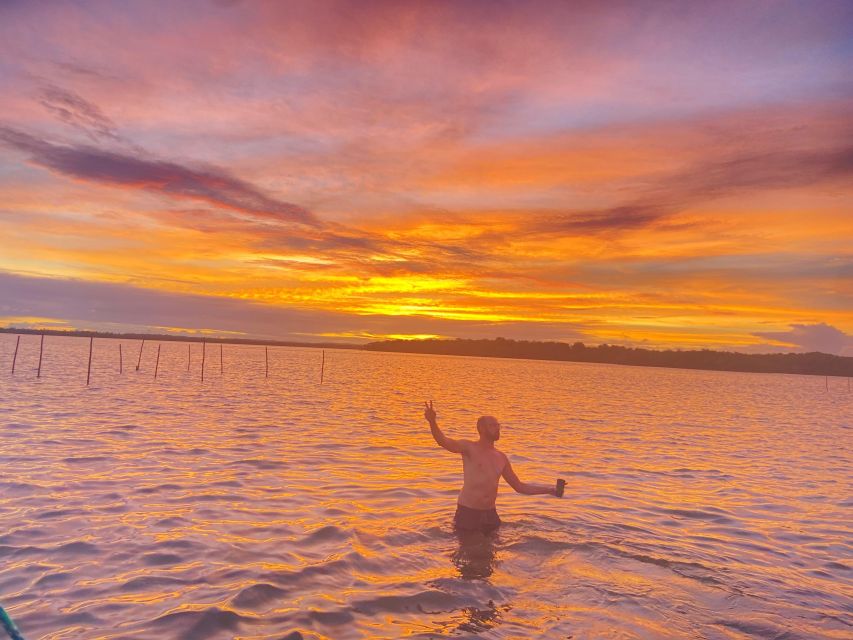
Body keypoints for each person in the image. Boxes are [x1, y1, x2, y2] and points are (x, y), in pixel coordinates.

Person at [424, 400, 562, 533]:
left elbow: (519, 486)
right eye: (493, 425)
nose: (497, 428)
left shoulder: (501, 457)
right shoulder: (469, 448)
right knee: (469, 551)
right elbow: (443, 441)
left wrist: (550, 490)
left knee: (491, 554)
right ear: (481, 428)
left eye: (498, 425)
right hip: (469, 512)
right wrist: (432, 422)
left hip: (490, 514)